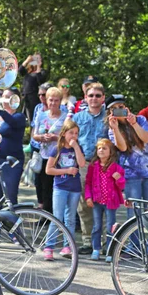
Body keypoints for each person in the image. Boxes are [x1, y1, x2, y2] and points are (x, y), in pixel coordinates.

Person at [106, 94, 148, 219]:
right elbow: (123, 148)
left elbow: (147, 138)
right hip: (132, 175)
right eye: (115, 108)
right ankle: (134, 239)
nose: (119, 110)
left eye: (121, 106)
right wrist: (115, 129)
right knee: (134, 215)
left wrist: (134, 123)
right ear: (110, 112)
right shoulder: (112, 129)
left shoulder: (140, 119)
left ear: (126, 107)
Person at [42, 120, 86, 261]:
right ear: (64, 133)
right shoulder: (57, 149)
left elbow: (82, 163)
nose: (74, 136)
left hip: (74, 188)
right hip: (60, 187)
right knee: (57, 217)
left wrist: (76, 147)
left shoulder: (77, 148)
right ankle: (49, 246)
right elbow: (48, 170)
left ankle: (68, 246)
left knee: (70, 219)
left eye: (76, 133)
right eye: (71, 133)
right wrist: (67, 170)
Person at [72, 82, 107, 255]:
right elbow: (70, 141)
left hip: (103, 165)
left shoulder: (109, 117)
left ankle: (105, 241)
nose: (94, 98)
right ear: (85, 98)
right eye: (90, 95)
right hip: (84, 164)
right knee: (85, 204)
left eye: (97, 96)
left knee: (104, 203)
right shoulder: (77, 118)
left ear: (103, 98)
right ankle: (87, 241)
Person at [85, 139, 125, 261]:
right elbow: (88, 183)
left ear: (111, 151)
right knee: (97, 226)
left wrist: (118, 179)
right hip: (97, 201)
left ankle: (109, 251)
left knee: (110, 227)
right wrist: (88, 197)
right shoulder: (93, 166)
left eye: (104, 148)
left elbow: (122, 186)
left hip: (110, 202)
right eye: (99, 148)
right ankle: (96, 249)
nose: (101, 150)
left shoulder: (116, 167)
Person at [32, 86, 67, 214]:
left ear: (60, 101)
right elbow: (34, 135)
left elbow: (69, 137)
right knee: (44, 187)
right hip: (44, 155)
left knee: (57, 188)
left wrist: (55, 138)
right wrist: (42, 137)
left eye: (56, 100)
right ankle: (47, 215)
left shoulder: (65, 117)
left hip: (60, 157)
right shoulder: (41, 115)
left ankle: (58, 216)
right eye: (51, 100)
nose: (53, 103)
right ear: (46, 100)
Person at [0, 88, 26, 205]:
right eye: (3, 96)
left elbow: (11, 122)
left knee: (10, 195)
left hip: (12, 161)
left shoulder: (19, 117)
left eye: (7, 97)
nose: (3, 99)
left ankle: (12, 222)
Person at [19, 52, 47, 122]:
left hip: (35, 97)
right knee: (28, 117)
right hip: (26, 97)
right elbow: (20, 71)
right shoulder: (28, 72)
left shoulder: (42, 71)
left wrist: (38, 67)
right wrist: (27, 61)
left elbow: (40, 80)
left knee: (35, 117)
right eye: (35, 58)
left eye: (38, 59)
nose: (36, 60)